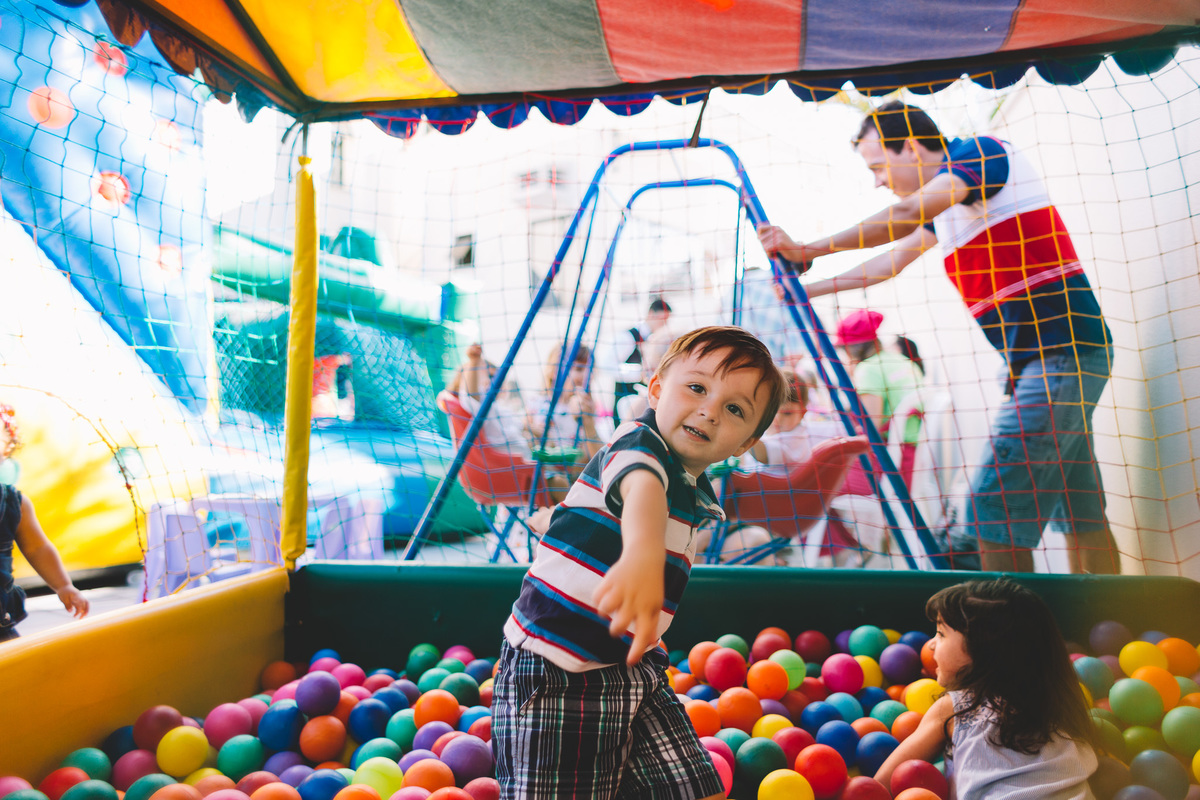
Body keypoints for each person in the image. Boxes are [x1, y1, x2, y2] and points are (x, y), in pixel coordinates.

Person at [757, 100, 1118, 574]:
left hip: (1061, 356)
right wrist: (808, 287)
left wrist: (809, 249)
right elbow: (888, 264)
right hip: (1047, 360)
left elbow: (904, 213)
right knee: (1078, 508)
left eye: (879, 166)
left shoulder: (981, 154)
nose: (878, 180)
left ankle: (1008, 640)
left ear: (909, 147)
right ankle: (1105, 624)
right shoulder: (945, 209)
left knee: (991, 510)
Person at [492, 326, 787, 800]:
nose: (709, 410)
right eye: (697, 387)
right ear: (655, 389)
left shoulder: (693, 492)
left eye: (734, 410)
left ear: (744, 444)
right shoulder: (638, 442)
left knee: (694, 789)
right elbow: (641, 490)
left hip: (635, 668)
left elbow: (611, 508)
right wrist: (642, 556)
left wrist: (563, 518)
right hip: (556, 669)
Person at [873, 579, 1097, 798]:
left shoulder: (956, 707)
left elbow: (881, 784)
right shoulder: (1058, 703)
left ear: (981, 651)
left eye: (941, 634)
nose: (930, 644)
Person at [0, 403, 89, 641]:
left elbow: (37, 547)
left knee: (13, 669)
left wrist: (63, 586)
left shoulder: (14, 503)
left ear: (7, 447)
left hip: (0, 619)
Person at [836, 309, 924, 486]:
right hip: (918, 449)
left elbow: (871, 426)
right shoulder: (901, 360)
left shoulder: (868, 369)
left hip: (891, 458)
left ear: (853, 347)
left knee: (827, 479)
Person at [528, 342, 612, 463]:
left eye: (591, 370)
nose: (587, 376)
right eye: (579, 369)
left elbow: (596, 457)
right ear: (554, 371)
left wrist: (588, 423)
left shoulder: (586, 408)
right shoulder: (536, 403)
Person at [446, 343, 533, 460]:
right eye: (490, 376)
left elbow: (519, 427)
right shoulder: (480, 404)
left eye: (497, 377)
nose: (496, 382)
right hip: (510, 467)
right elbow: (471, 395)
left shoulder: (496, 407)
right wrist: (474, 361)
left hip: (524, 461)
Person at [612, 297, 672, 423]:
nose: (664, 324)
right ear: (651, 314)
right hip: (627, 396)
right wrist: (640, 372)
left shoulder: (661, 339)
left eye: (667, 320)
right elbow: (609, 367)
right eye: (662, 319)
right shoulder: (627, 337)